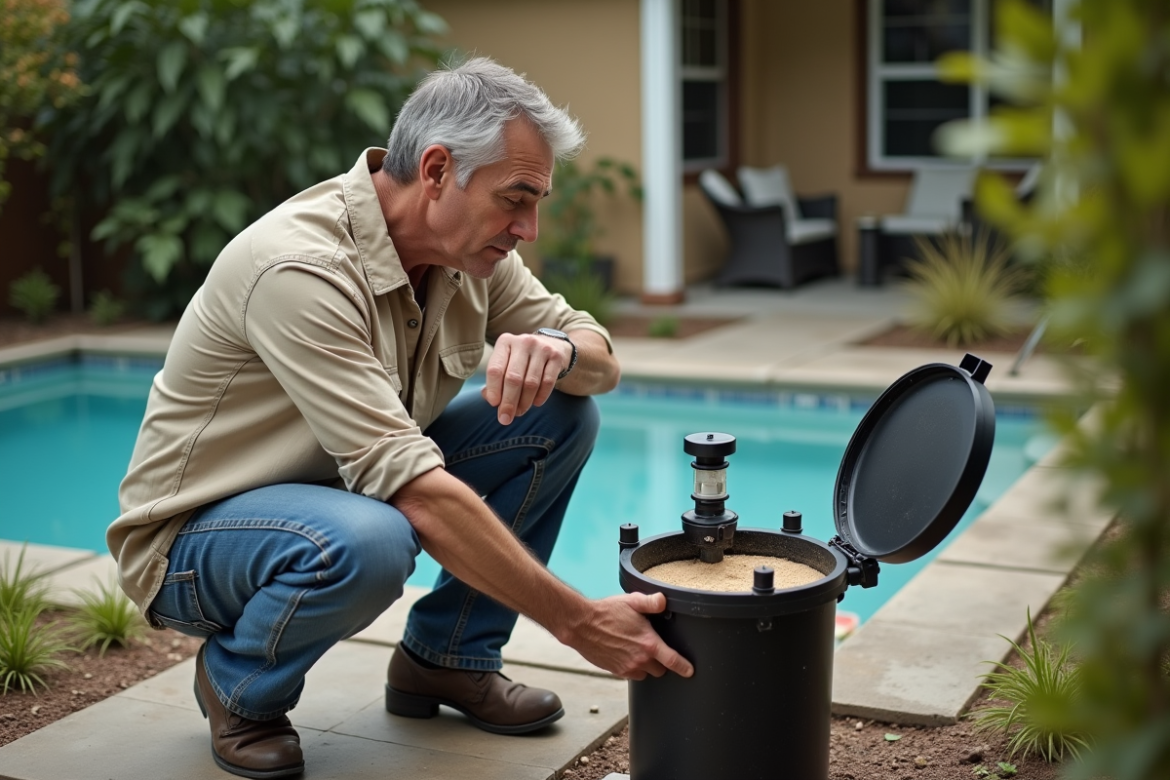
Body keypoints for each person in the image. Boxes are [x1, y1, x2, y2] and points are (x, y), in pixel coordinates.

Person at [107, 57, 692, 779]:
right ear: (439, 169)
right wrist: (578, 623)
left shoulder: (467, 252)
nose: (529, 227)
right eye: (517, 198)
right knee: (372, 537)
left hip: (338, 493)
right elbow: (410, 488)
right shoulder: (300, 267)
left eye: (536, 202)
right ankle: (239, 685)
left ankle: (446, 660)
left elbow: (600, 357)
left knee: (561, 420)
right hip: (196, 544)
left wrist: (559, 349)